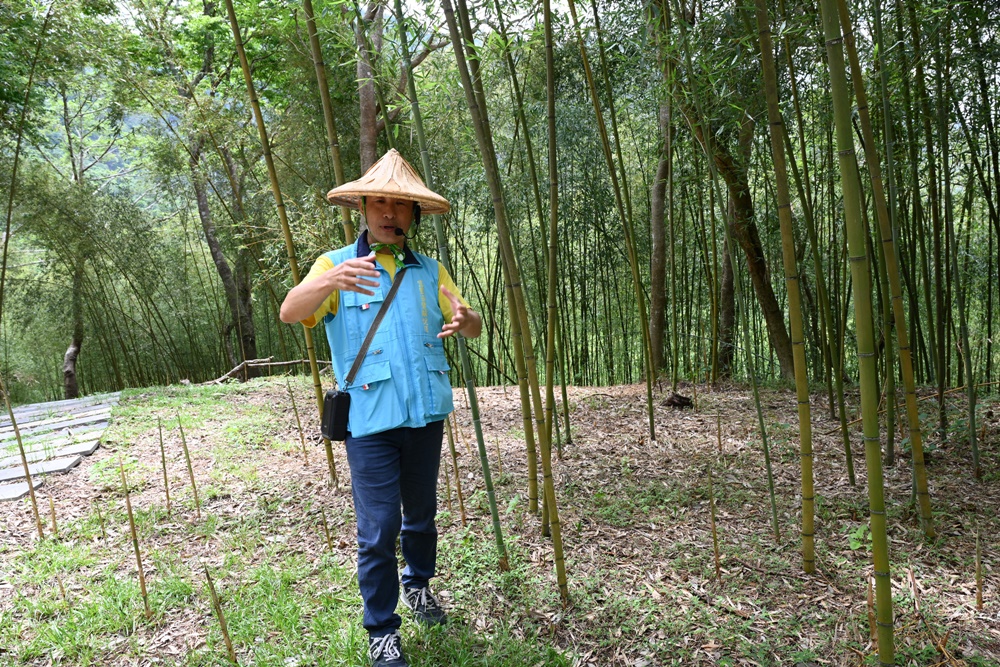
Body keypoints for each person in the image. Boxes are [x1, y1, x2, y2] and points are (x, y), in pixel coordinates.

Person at [280, 149, 481, 667]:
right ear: (364, 209)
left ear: (413, 214)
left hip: (424, 418)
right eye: (380, 202)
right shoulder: (334, 265)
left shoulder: (430, 269)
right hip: (369, 423)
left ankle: (418, 586)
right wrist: (327, 282)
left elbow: (469, 322)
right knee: (378, 529)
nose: (389, 211)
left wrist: (469, 320)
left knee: (421, 517)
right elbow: (289, 311)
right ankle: (381, 631)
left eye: (400, 204)